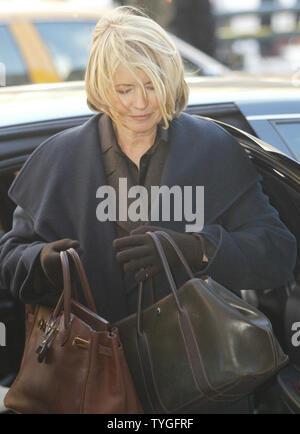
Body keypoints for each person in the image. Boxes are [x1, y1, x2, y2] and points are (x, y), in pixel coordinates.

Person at [0, 6, 297, 413]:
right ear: (103, 88)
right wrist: (43, 262)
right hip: (92, 386)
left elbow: (277, 254)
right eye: (124, 90)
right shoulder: (59, 160)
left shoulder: (212, 148)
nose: (140, 104)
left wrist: (199, 248)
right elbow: (10, 260)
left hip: (201, 384)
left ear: (170, 81)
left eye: (151, 86)